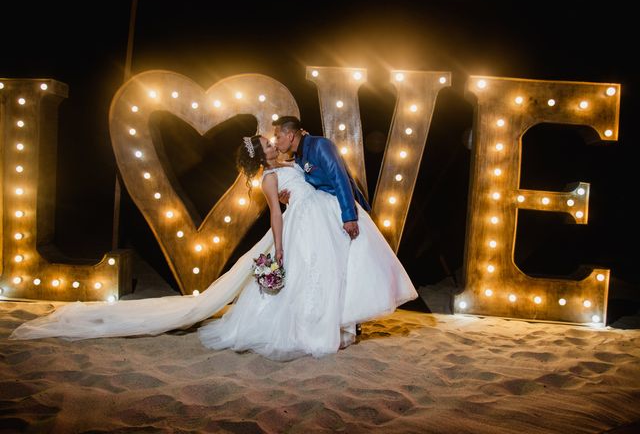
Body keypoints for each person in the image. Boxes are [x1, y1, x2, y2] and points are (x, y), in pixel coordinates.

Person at [10, 134, 419, 361]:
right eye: (268, 141)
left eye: (273, 137)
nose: (274, 140)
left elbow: (312, 178)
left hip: (319, 221)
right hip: (298, 228)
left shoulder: (289, 163)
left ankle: (340, 322)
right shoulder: (269, 179)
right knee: (310, 276)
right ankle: (322, 327)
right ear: (263, 154)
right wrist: (278, 248)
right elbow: (276, 215)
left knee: (327, 274)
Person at [272, 116, 372, 335]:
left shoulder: (320, 145)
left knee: (352, 265)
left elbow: (339, 178)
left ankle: (351, 320)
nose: (276, 141)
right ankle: (340, 318)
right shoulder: (299, 157)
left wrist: (349, 216)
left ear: (290, 135)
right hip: (323, 213)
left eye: (278, 136)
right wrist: (289, 196)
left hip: (340, 208)